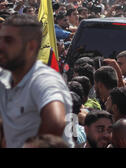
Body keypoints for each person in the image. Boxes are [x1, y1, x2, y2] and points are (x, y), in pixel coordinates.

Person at [0, 15, 74, 148]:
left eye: (9, 41)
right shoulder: (5, 78)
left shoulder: (44, 80)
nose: (1, 46)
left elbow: (55, 122)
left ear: (31, 47)